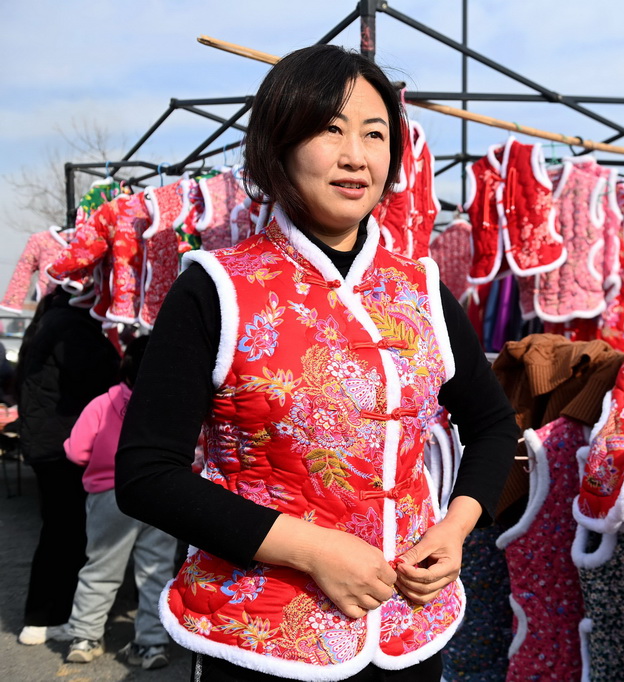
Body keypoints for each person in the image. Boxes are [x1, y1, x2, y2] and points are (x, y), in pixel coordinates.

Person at [116, 44, 518, 682]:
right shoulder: (216, 288)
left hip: (407, 627)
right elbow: (146, 473)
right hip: (263, 634)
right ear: (279, 142)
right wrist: (314, 550)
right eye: (331, 129)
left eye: (375, 133)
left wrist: (457, 525)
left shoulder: (420, 287)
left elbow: (494, 424)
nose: (356, 155)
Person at [64, 335, 178, 669]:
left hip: (110, 494)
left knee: (100, 568)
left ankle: (84, 638)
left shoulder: (103, 402)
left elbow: (75, 451)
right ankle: (152, 644)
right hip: (160, 495)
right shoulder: (172, 405)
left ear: (125, 365)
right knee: (156, 570)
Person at [16, 287, 120, 646]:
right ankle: (48, 617)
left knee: (60, 532)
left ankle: (50, 615)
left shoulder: (51, 323)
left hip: (47, 444)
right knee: (66, 534)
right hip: (63, 448)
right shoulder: (72, 327)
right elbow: (99, 377)